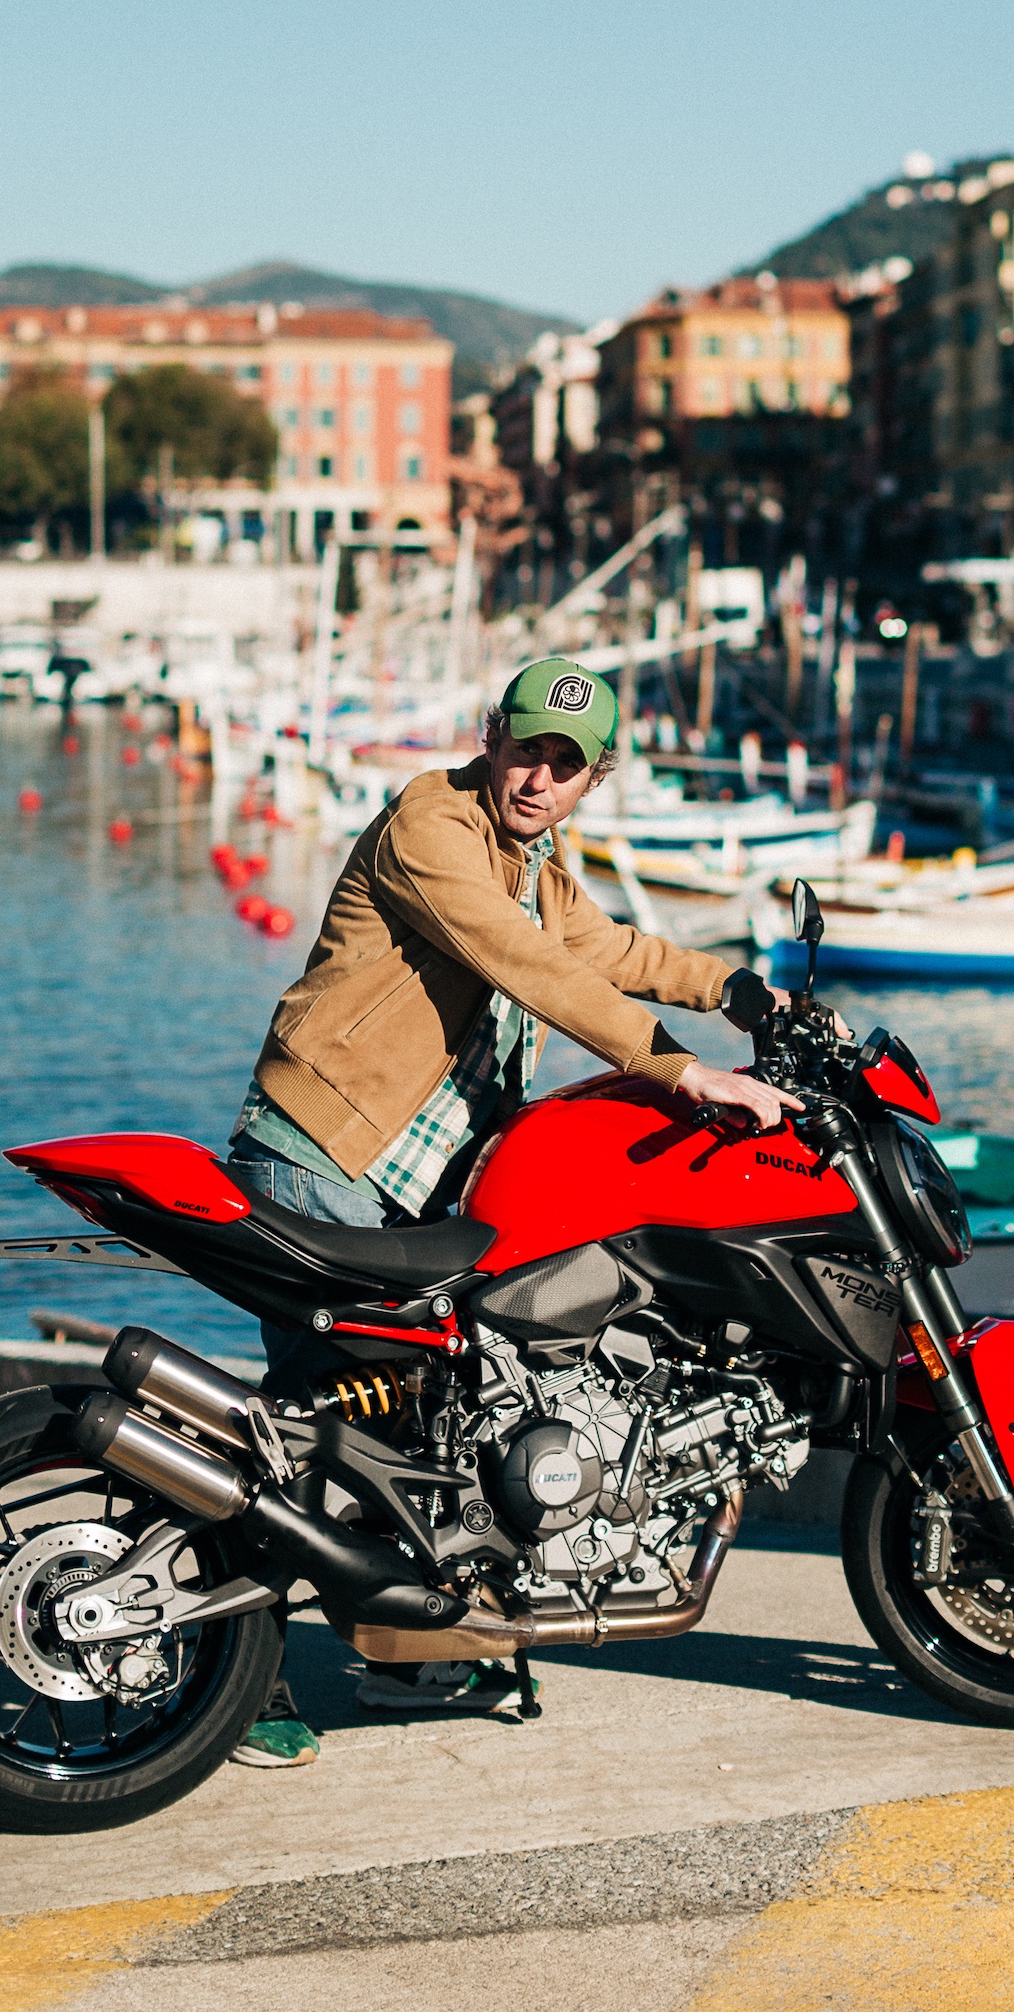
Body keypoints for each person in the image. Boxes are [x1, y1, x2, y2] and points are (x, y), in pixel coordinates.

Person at [226, 653, 791, 1765]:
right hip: (323, 1156)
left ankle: (411, 1652)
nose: (537, 777)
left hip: (411, 1183)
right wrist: (686, 1075)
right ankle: (231, 1677)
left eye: (563, 764)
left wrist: (732, 990)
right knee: (306, 1431)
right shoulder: (428, 827)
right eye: (524, 748)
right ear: (488, 735)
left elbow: (604, 949)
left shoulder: (532, 860)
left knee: (405, 1428)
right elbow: (533, 970)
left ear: (594, 778)